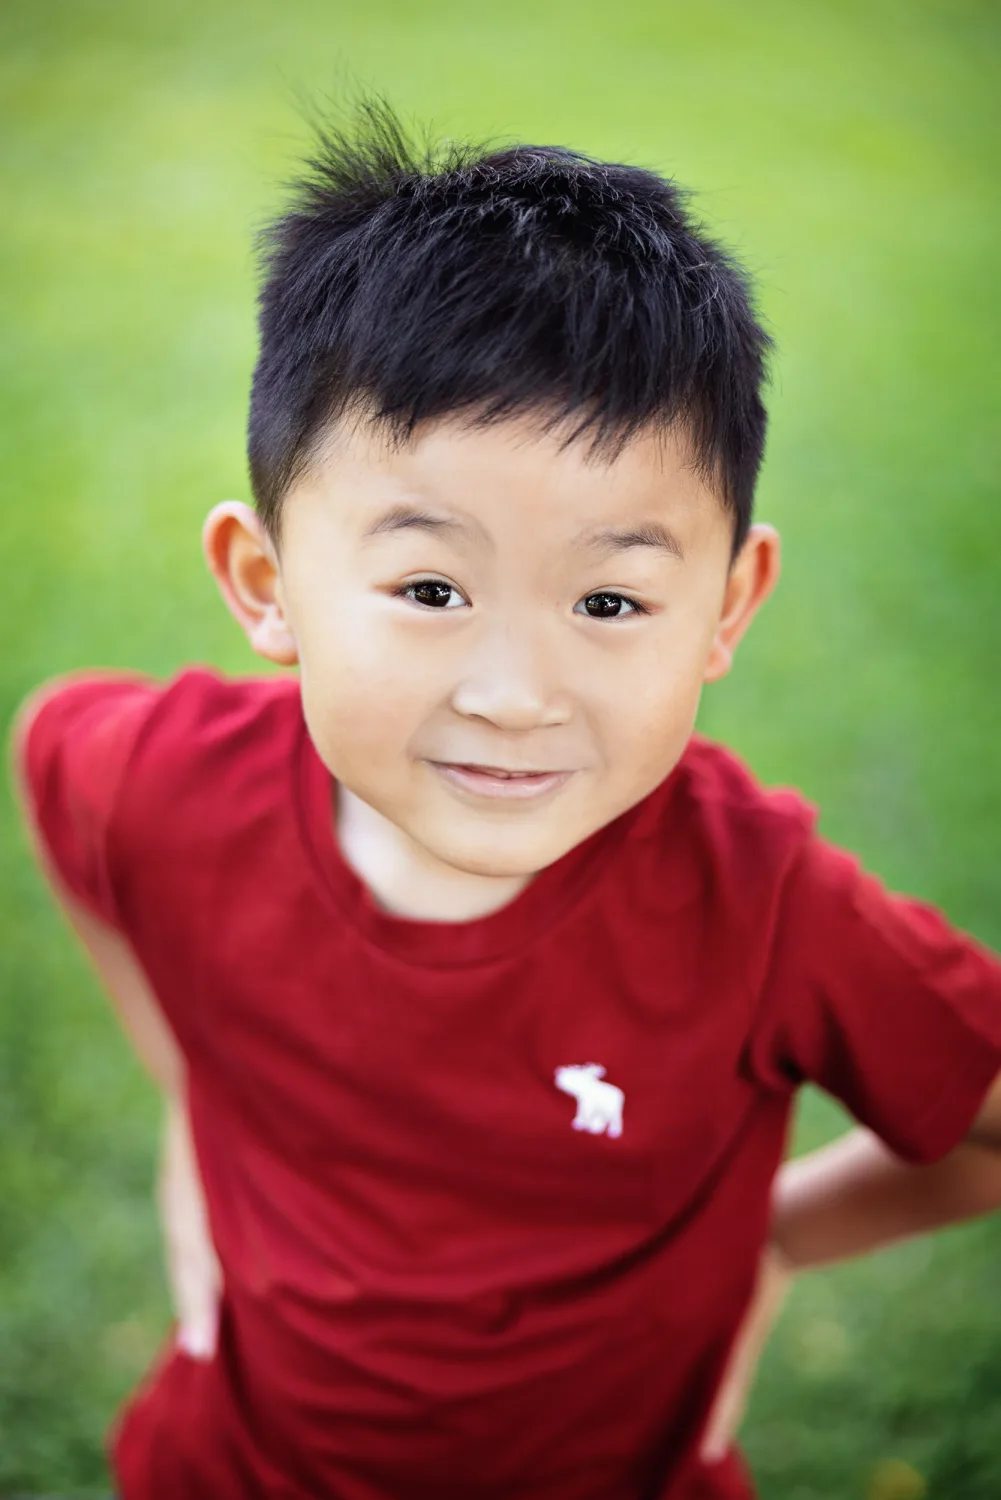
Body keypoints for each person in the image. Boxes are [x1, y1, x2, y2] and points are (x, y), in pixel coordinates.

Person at [10, 101, 1001, 1500]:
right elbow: (55, 767)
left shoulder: (761, 903)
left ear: (727, 608)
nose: (514, 692)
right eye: (430, 589)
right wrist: (188, 1088)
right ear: (264, 583)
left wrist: (778, 1235)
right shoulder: (164, 782)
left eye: (609, 599)